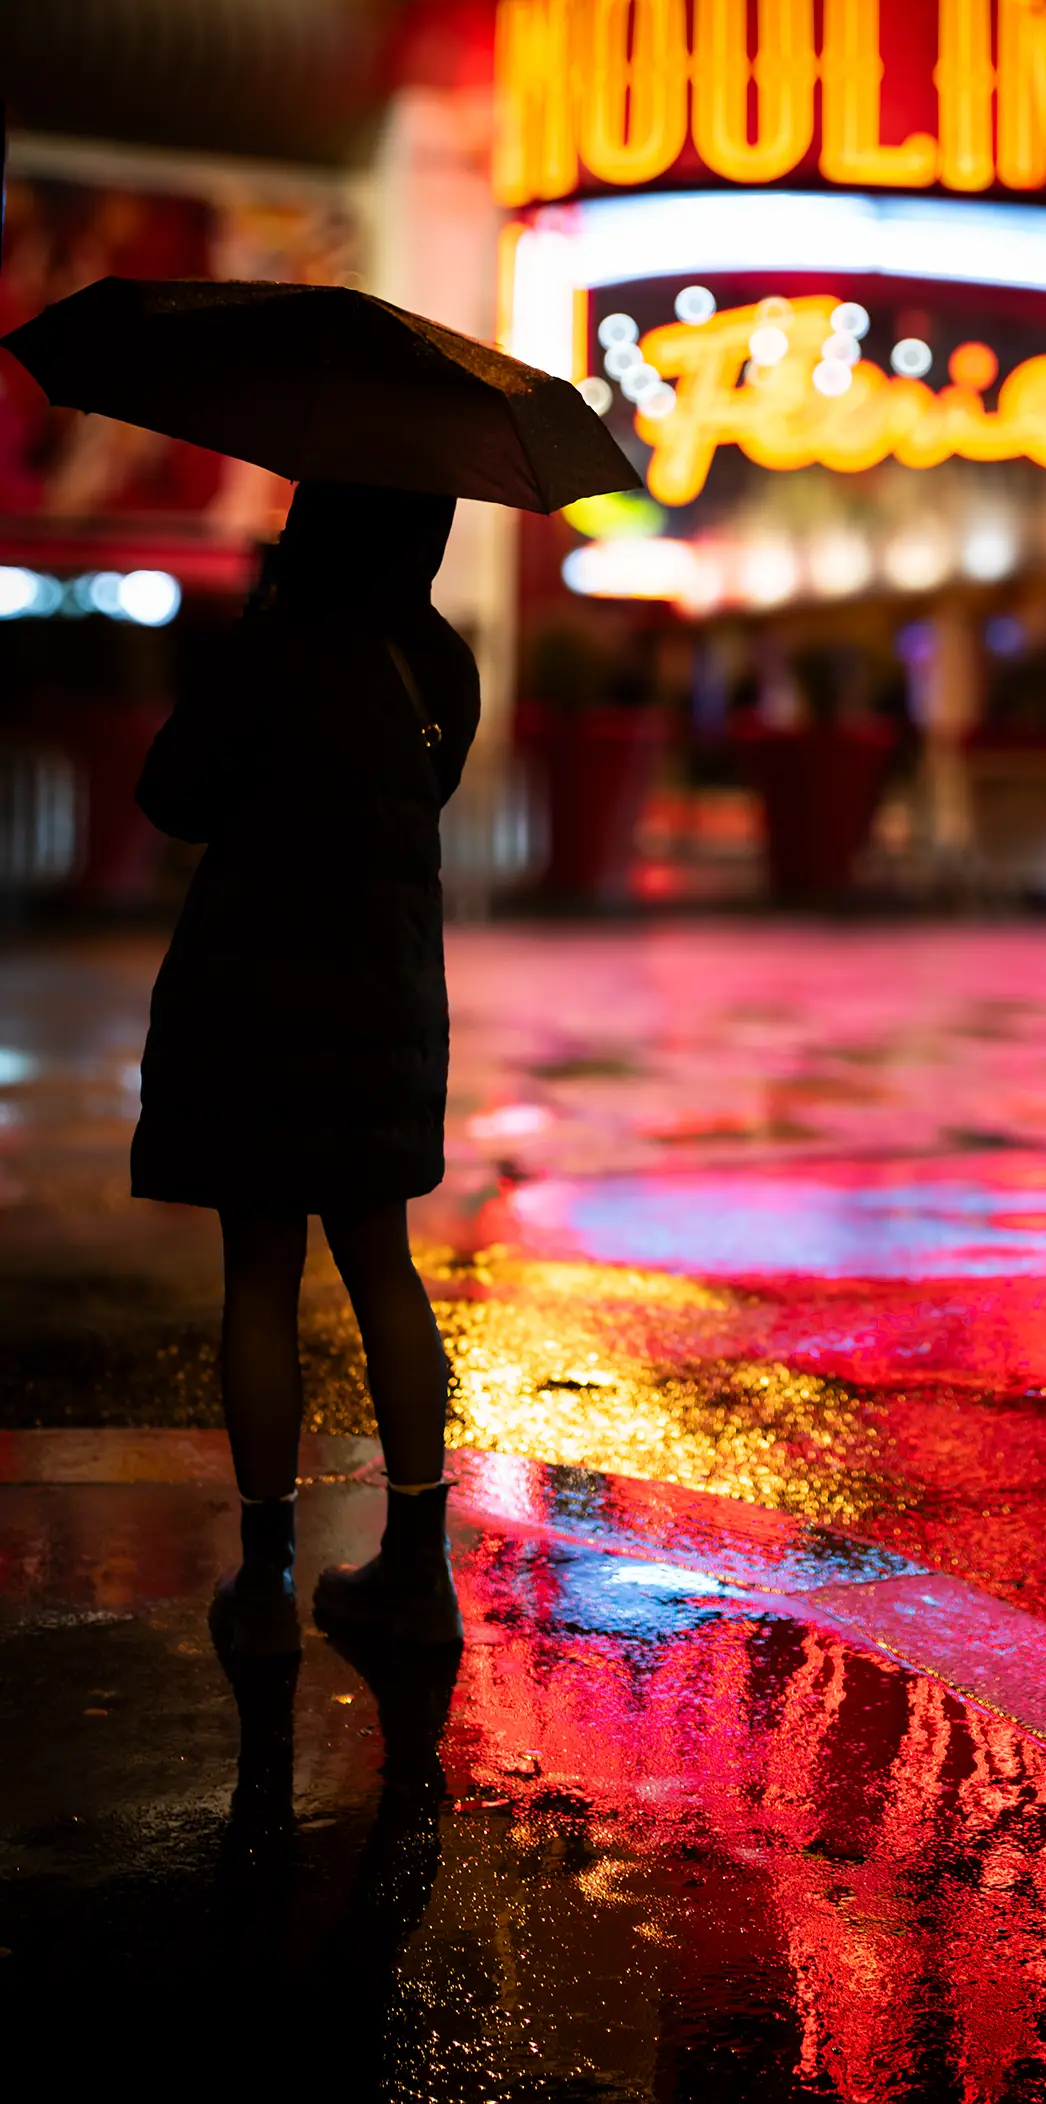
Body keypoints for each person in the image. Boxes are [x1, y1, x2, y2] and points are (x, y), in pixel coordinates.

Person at [131, 479, 481, 1655]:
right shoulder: (440, 664)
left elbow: (171, 796)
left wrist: (245, 636)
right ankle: (417, 1569)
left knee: (261, 1277)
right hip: (383, 994)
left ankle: (267, 1573)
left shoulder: (275, 650)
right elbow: (421, 797)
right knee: (383, 1267)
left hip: (253, 999)